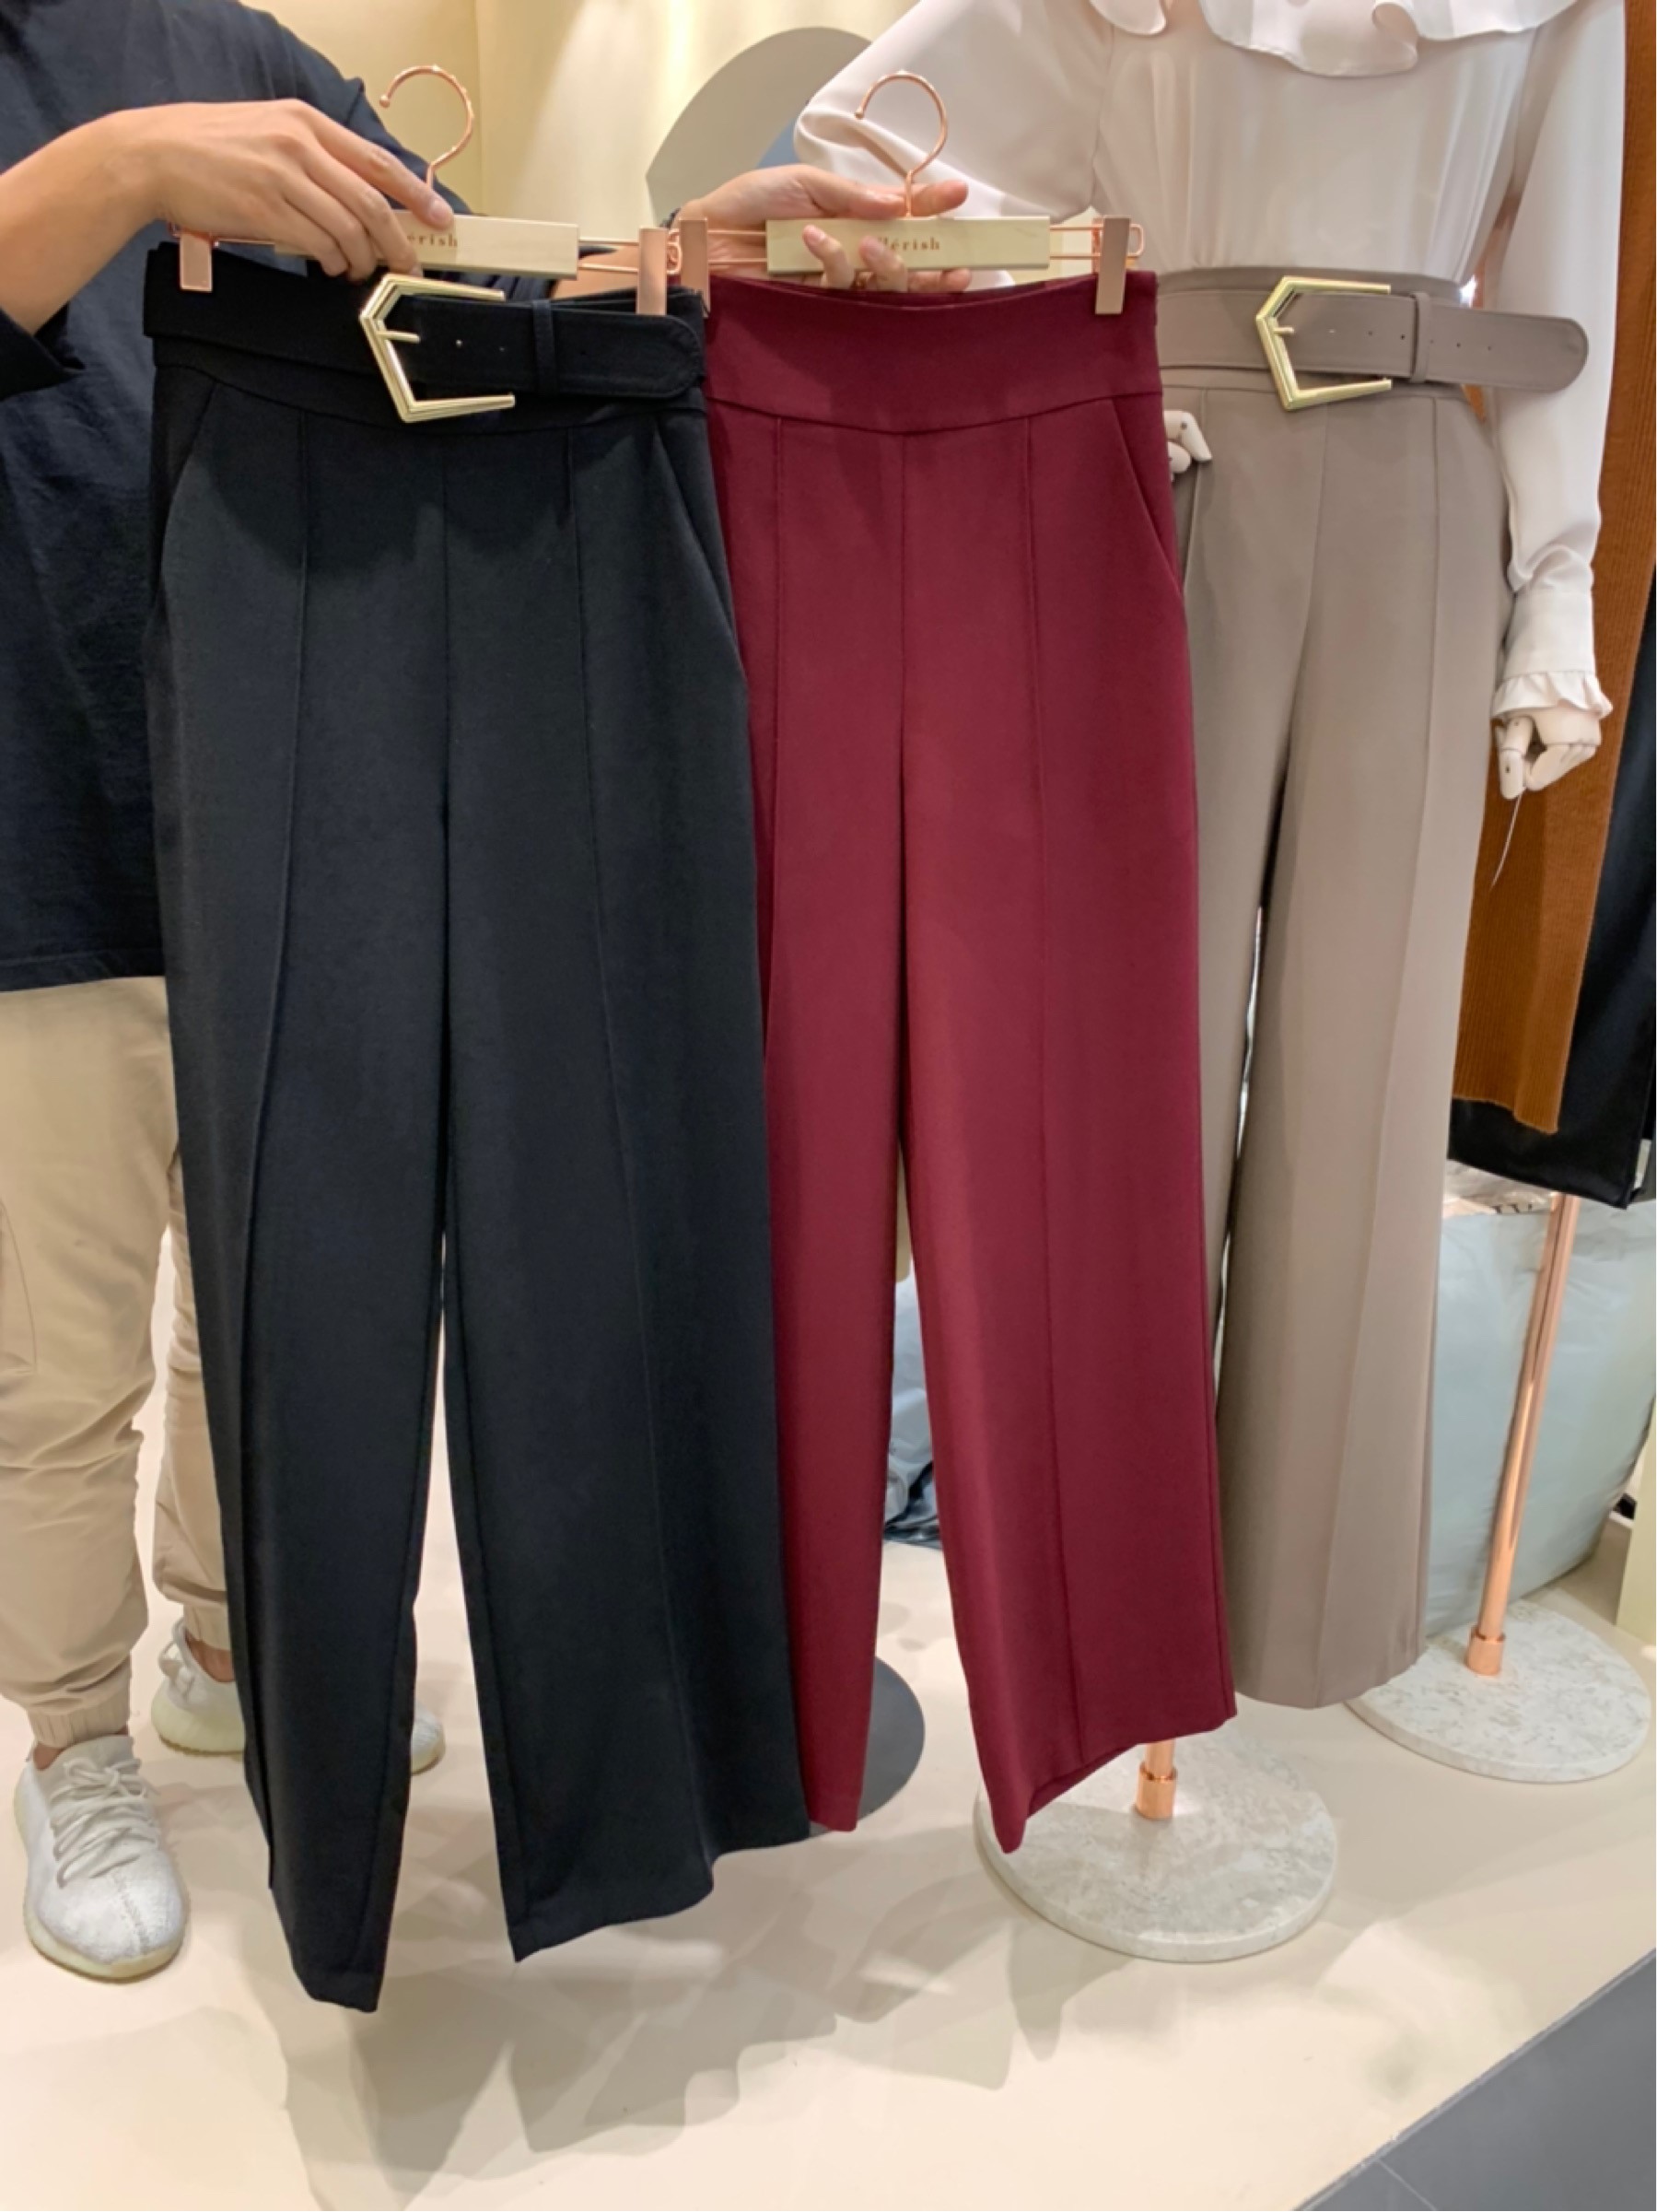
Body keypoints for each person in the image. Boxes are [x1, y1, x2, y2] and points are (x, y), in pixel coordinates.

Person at [0, 0, 948, 1985]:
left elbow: (474, 283)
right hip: (42, 786)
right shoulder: (136, 94)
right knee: (62, 1357)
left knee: (288, 1293)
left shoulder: (231, 45)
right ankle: (73, 1734)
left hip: (288, 726)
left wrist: (681, 250)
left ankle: (241, 1648)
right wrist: (125, 168)